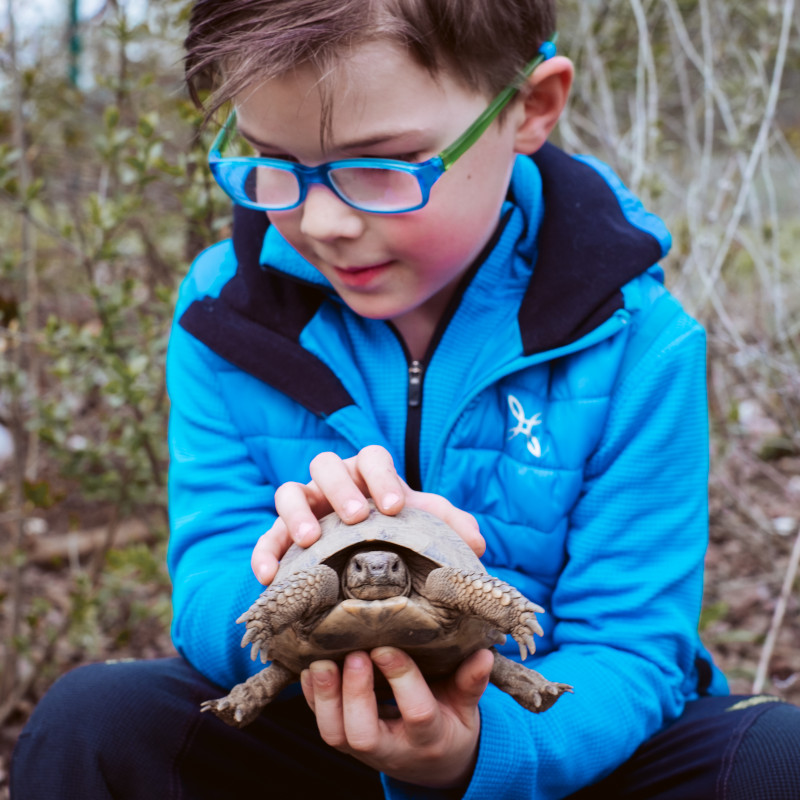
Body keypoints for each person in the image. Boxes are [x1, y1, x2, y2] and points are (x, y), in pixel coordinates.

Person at [11, 1, 800, 798]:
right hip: (314, 718)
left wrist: (476, 753)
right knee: (97, 717)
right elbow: (209, 576)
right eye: (271, 160)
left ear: (530, 107)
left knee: (776, 757)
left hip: (549, 740)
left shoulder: (641, 342)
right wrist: (280, 579)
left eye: (380, 165)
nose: (320, 219)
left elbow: (629, 651)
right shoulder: (224, 313)